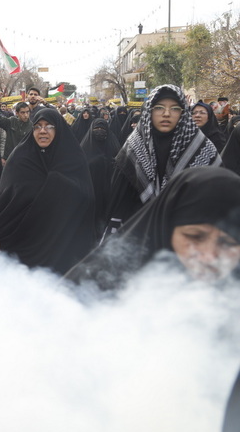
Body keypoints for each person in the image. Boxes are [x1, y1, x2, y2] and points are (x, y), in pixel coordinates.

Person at [65, 166, 240, 291]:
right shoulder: (99, 285)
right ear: (167, 227)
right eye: (195, 237)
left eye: (228, 242)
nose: (209, 256)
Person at [0, 107, 96, 275]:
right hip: (21, 244)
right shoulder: (20, 158)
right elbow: (4, 197)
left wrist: (57, 184)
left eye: (49, 126)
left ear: (58, 128)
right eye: (38, 126)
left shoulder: (73, 158)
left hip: (61, 244)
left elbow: (86, 196)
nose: (43, 131)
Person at [106, 84, 221, 233]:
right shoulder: (133, 147)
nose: (166, 114)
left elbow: (214, 199)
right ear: (149, 111)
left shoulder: (202, 148)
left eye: (174, 108)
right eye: (159, 107)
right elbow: (119, 202)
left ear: (183, 113)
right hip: (138, 234)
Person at [80, 118, 121, 235]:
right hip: (90, 190)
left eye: (102, 129)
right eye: (96, 129)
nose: (99, 131)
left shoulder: (114, 145)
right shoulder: (84, 147)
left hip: (109, 190)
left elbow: (120, 165)